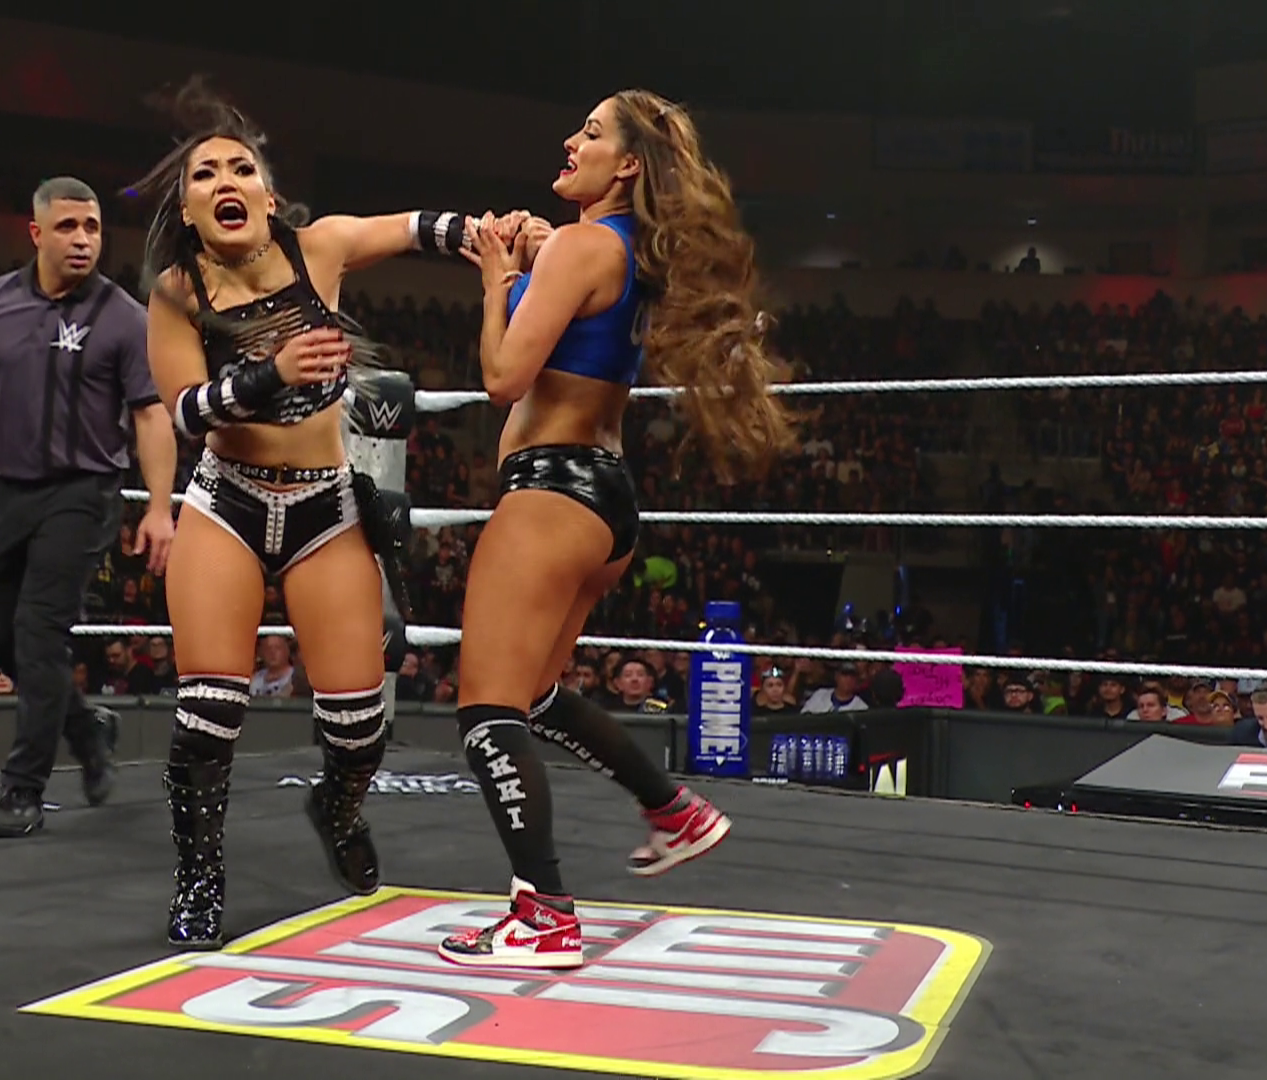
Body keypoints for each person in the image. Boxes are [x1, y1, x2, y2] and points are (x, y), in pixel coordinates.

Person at [439, 89, 796, 969]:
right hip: (605, 498)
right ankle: (673, 809)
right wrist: (534, 259)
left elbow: (503, 378)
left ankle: (543, 915)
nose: (571, 140)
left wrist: (497, 283)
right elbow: (581, 317)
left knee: (488, 711)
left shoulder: (582, 247)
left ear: (628, 164)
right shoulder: (625, 250)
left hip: (550, 495)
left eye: (592, 133)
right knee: (538, 695)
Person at [136, 81, 474, 949]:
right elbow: (184, 412)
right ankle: (199, 879)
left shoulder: (318, 248)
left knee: (358, 725)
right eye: (205, 173)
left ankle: (340, 806)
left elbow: (416, 227)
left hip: (323, 504)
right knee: (208, 709)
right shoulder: (175, 291)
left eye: (239, 167)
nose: (225, 179)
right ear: (189, 208)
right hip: (228, 502)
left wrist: (496, 236)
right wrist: (270, 374)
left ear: (267, 193)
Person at [0, 176, 178, 839]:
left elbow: (150, 414)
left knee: (39, 631)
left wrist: (159, 507)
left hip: (84, 492)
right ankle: (85, 728)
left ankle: (22, 789)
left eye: (92, 227)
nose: (83, 239)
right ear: (37, 233)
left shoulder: (123, 316)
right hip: (8, 488)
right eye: (67, 227)